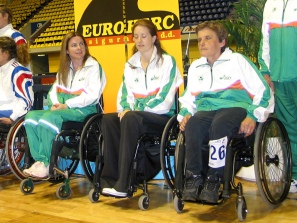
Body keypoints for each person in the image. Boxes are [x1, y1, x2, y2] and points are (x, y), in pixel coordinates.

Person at [178, 21, 274, 203]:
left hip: (234, 108)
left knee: (219, 124)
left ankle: (214, 179)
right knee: (193, 126)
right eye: (199, 40)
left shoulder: (237, 60)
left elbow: (263, 91)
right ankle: (193, 178)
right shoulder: (196, 67)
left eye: (208, 38)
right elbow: (188, 97)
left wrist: (252, 115)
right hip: (206, 109)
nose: (202, 43)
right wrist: (186, 113)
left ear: (222, 41)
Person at [100, 19, 183, 198]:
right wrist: (126, 109)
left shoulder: (167, 62)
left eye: (144, 36)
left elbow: (165, 100)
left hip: (161, 117)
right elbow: (124, 96)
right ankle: (109, 180)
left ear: (154, 38)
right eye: (136, 36)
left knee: (131, 118)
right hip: (136, 118)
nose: (139, 40)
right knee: (108, 119)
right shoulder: (130, 65)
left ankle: (124, 183)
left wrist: (136, 110)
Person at [23, 32, 106, 179]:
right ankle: (40, 161)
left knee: (49, 118)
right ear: (67, 50)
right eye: (74, 45)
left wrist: (66, 105)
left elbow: (92, 95)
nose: (79, 48)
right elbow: (53, 90)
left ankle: (47, 162)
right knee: (30, 117)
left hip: (84, 111)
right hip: (62, 109)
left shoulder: (93, 66)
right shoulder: (64, 69)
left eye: (81, 44)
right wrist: (56, 104)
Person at [258, 0, 297, 193]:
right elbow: (264, 40)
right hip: (280, 79)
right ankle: (295, 175)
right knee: (289, 130)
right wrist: (265, 70)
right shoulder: (270, 3)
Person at [0, 36, 33, 125]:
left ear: (6, 53)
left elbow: (26, 100)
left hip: (13, 111)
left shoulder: (18, 71)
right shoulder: (2, 70)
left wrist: (12, 118)